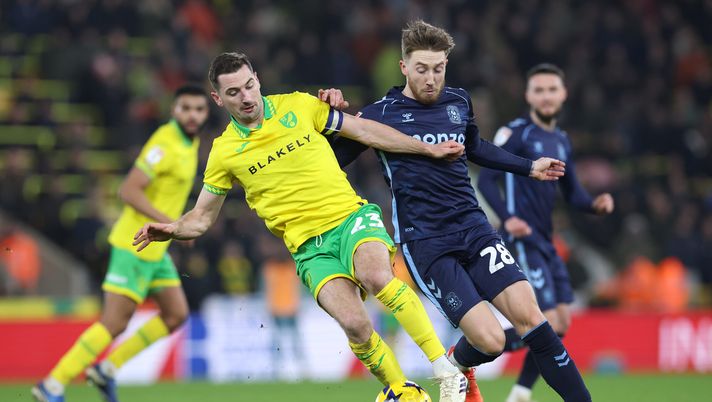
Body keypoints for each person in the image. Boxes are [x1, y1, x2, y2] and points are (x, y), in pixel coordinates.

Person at [133, 52, 469, 402]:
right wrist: (173, 229)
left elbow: (365, 130)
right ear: (218, 98)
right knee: (354, 325)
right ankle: (402, 391)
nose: (246, 97)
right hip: (308, 249)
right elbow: (201, 217)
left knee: (377, 276)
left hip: (349, 218)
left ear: (258, 79)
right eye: (233, 93)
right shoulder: (224, 153)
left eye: (249, 86)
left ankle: (444, 368)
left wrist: (425, 150)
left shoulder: (300, 106)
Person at [328, 21, 592, 402]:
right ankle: (458, 360)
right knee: (491, 341)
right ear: (404, 67)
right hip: (427, 244)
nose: (431, 78)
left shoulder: (457, 102)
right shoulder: (378, 116)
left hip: (475, 228)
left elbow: (476, 147)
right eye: (422, 69)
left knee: (535, 321)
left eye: (438, 68)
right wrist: (326, 122)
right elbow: (332, 161)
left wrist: (528, 166)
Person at [32, 85, 211, 402]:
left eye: (199, 109)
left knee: (176, 315)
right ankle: (52, 385)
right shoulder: (165, 143)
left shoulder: (189, 142)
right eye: (186, 108)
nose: (193, 115)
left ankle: (107, 369)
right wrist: (171, 225)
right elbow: (128, 190)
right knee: (114, 323)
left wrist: (174, 230)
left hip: (156, 248)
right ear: (174, 110)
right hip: (135, 245)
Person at [477, 63, 614, 402]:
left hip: (546, 241)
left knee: (562, 323)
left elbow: (572, 194)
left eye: (552, 89)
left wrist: (594, 204)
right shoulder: (516, 133)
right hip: (520, 239)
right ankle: (471, 353)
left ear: (563, 94)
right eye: (539, 90)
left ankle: (520, 389)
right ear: (528, 96)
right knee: (546, 322)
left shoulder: (561, 140)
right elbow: (485, 179)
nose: (546, 96)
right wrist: (507, 218)